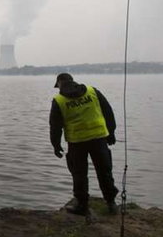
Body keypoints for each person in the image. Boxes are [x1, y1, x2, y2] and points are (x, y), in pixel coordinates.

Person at [49, 73, 118, 216]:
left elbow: (55, 126)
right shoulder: (92, 91)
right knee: (104, 171)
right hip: (98, 138)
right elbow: (108, 111)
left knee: (79, 174)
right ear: (73, 81)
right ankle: (111, 203)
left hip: (76, 142)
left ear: (60, 83)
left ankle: (82, 205)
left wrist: (56, 145)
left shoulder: (59, 100)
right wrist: (111, 132)